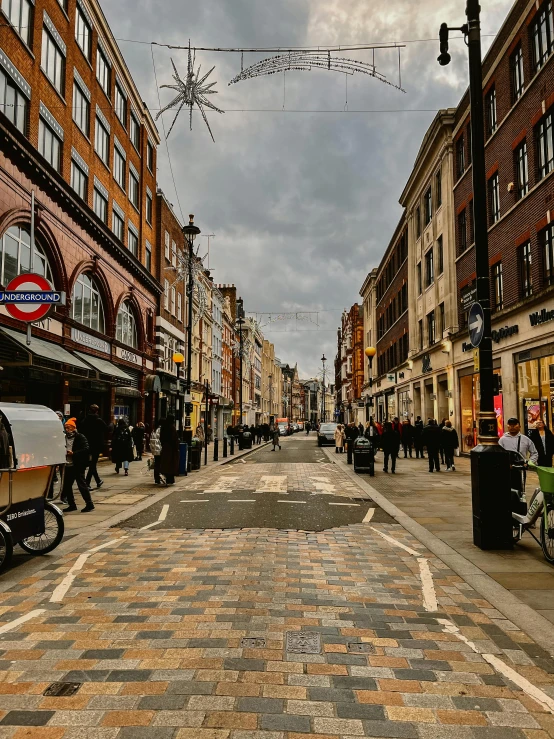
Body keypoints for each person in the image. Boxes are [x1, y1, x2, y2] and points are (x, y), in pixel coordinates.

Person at [62, 419, 94, 513]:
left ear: (73, 428)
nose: (67, 429)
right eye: (65, 427)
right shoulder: (64, 437)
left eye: (68, 427)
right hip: (68, 464)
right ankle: (72, 505)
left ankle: (89, 504)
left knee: (81, 485)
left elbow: (86, 449)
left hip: (78, 464)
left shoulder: (80, 437)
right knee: (67, 486)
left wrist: (74, 453)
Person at [499, 417, 539, 494]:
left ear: (519, 426)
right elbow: (499, 455)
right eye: (510, 425)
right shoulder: (502, 440)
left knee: (520, 490)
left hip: (520, 469)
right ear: (507, 426)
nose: (512, 427)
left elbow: (534, 453)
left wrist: (528, 463)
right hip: (506, 469)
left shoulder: (526, 439)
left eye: (514, 425)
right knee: (506, 490)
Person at [79, 404, 107, 490]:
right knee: (92, 464)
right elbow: (106, 429)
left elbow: (81, 431)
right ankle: (87, 483)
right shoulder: (98, 420)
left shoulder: (84, 420)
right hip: (96, 445)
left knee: (92, 464)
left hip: (86, 445)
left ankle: (98, 481)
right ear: (97, 411)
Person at [160, 415, 179, 484]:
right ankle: (170, 479)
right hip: (171, 448)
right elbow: (174, 439)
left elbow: (161, 437)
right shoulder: (172, 427)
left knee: (166, 463)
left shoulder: (164, 427)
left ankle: (168, 477)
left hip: (165, 447)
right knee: (171, 464)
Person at [149, 420, 163, 485]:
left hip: (155, 450)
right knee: (159, 464)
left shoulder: (153, 431)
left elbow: (151, 441)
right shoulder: (160, 430)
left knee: (156, 464)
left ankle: (156, 478)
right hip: (159, 450)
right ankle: (159, 477)